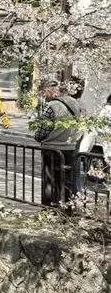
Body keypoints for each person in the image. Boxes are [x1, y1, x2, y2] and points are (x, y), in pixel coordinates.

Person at [35, 78, 82, 206]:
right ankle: (67, 208)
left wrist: (38, 137)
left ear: (50, 90)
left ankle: (50, 209)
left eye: (44, 92)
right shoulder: (74, 103)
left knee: (50, 182)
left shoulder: (51, 106)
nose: (44, 95)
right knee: (67, 181)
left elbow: (42, 131)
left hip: (52, 148)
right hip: (70, 147)